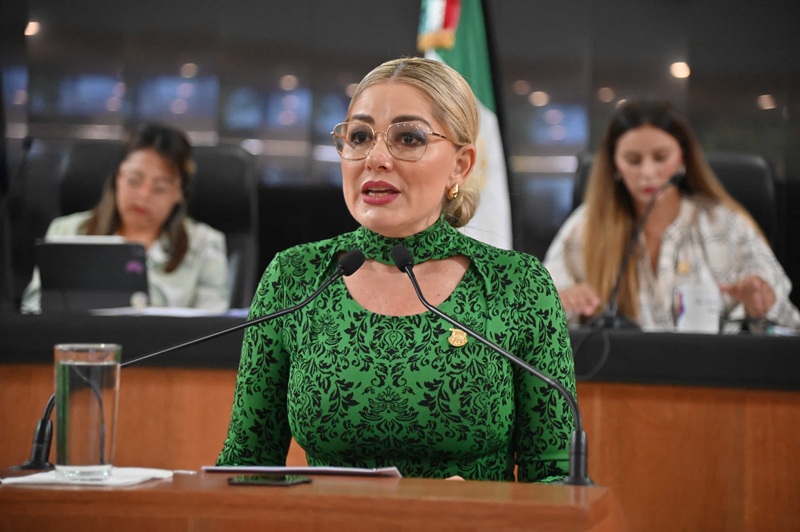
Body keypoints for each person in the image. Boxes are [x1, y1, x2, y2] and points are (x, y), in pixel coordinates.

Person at [216, 57, 575, 483]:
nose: (376, 158)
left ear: (460, 165)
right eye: (360, 137)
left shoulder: (517, 285)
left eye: (408, 138)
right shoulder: (295, 277)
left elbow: (556, 477)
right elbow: (247, 464)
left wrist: (481, 507)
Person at [543, 98, 800, 331]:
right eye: (633, 160)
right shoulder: (586, 226)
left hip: (711, 367)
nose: (648, 173)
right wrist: (562, 302)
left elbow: (788, 323)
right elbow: (537, 316)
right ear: (615, 166)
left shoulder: (726, 225)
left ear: (682, 159)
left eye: (661, 157)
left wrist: (761, 307)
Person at [21, 123, 230, 313]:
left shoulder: (205, 245)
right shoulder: (67, 232)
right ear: (117, 178)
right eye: (134, 180)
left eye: (159, 188)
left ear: (180, 192)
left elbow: (213, 326)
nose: (144, 195)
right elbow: (33, 310)